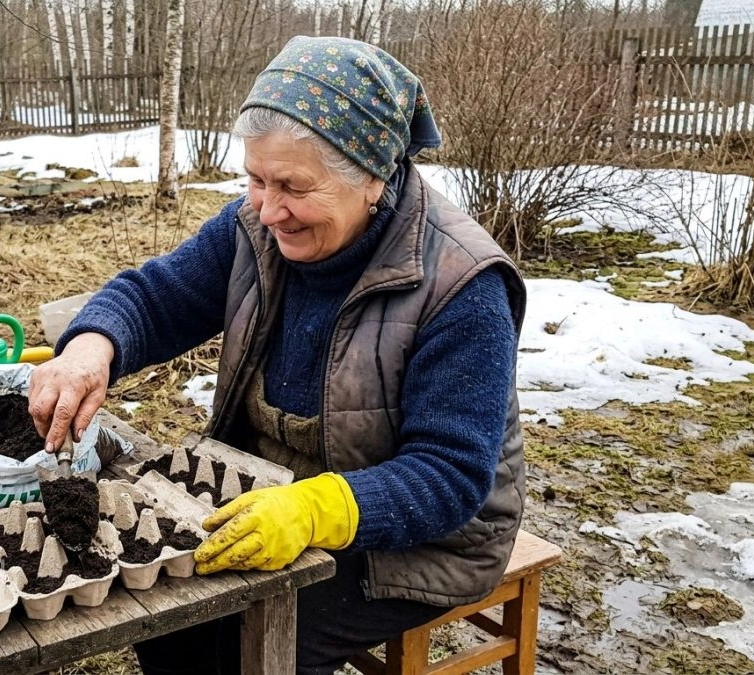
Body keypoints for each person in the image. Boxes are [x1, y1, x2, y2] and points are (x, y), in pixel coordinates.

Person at [27, 35, 527, 675]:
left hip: (412, 538)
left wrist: (315, 509)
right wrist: (89, 350)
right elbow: (154, 297)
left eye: (291, 186)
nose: (268, 209)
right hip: (265, 488)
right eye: (255, 180)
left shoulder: (463, 285)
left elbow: (450, 476)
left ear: (372, 175)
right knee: (164, 618)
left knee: (253, 645)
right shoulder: (253, 229)